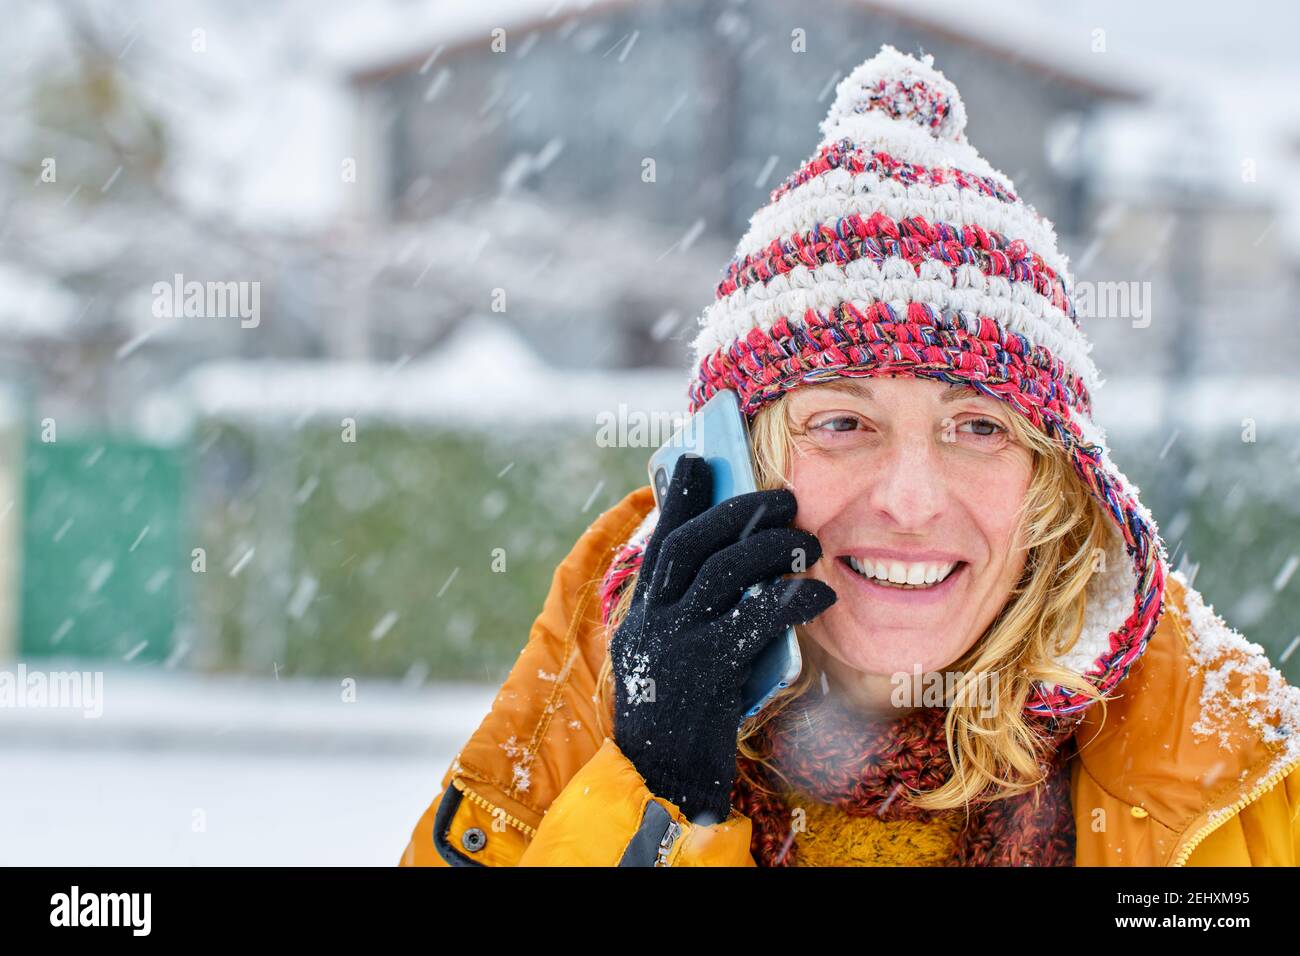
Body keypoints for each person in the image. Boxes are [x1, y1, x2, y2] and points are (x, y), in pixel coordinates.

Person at [399, 45, 1300, 867]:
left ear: (1056, 482)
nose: (910, 502)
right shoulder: (584, 705)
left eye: (981, 426)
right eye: (842, 423)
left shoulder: (1234, 775)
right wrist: (648, 797)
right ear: (738, 467)